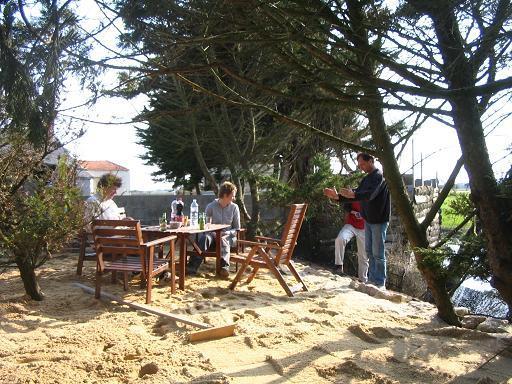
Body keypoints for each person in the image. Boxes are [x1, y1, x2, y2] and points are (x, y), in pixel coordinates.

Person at [324, 153, 390, 289]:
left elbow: (369, 194)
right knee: (370, 252)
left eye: (363, 164)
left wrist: (353, 194)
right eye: (359, 165)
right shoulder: (367, 179)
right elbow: (357, 194)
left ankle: (380, 282)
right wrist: (338, 197)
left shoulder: (379, 177)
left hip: (379, 220)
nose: (361, 167)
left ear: (371, 160)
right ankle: (372, 280)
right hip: (369, 220)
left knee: (378, 252)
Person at [187, 181, 241, 279]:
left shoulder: (234, 207)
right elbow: (206, 226)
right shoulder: (211, 206)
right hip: (212, 235)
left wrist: (226, 233)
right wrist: (212, 232)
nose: (234, 198)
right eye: (232, 196)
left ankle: (224, 268)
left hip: (228, 236)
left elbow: (237, 228)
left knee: (223, 238)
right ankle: (192, 267)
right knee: (205, 238)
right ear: (225, 195)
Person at [332, 201, 367, 282]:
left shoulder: (369, 195)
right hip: (351, 225)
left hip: (365, 228)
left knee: (363, 255)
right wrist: (351, 215)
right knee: (340, 239)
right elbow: (346, 208)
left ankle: (363, 279)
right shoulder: (352, 195)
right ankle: (338, 266)